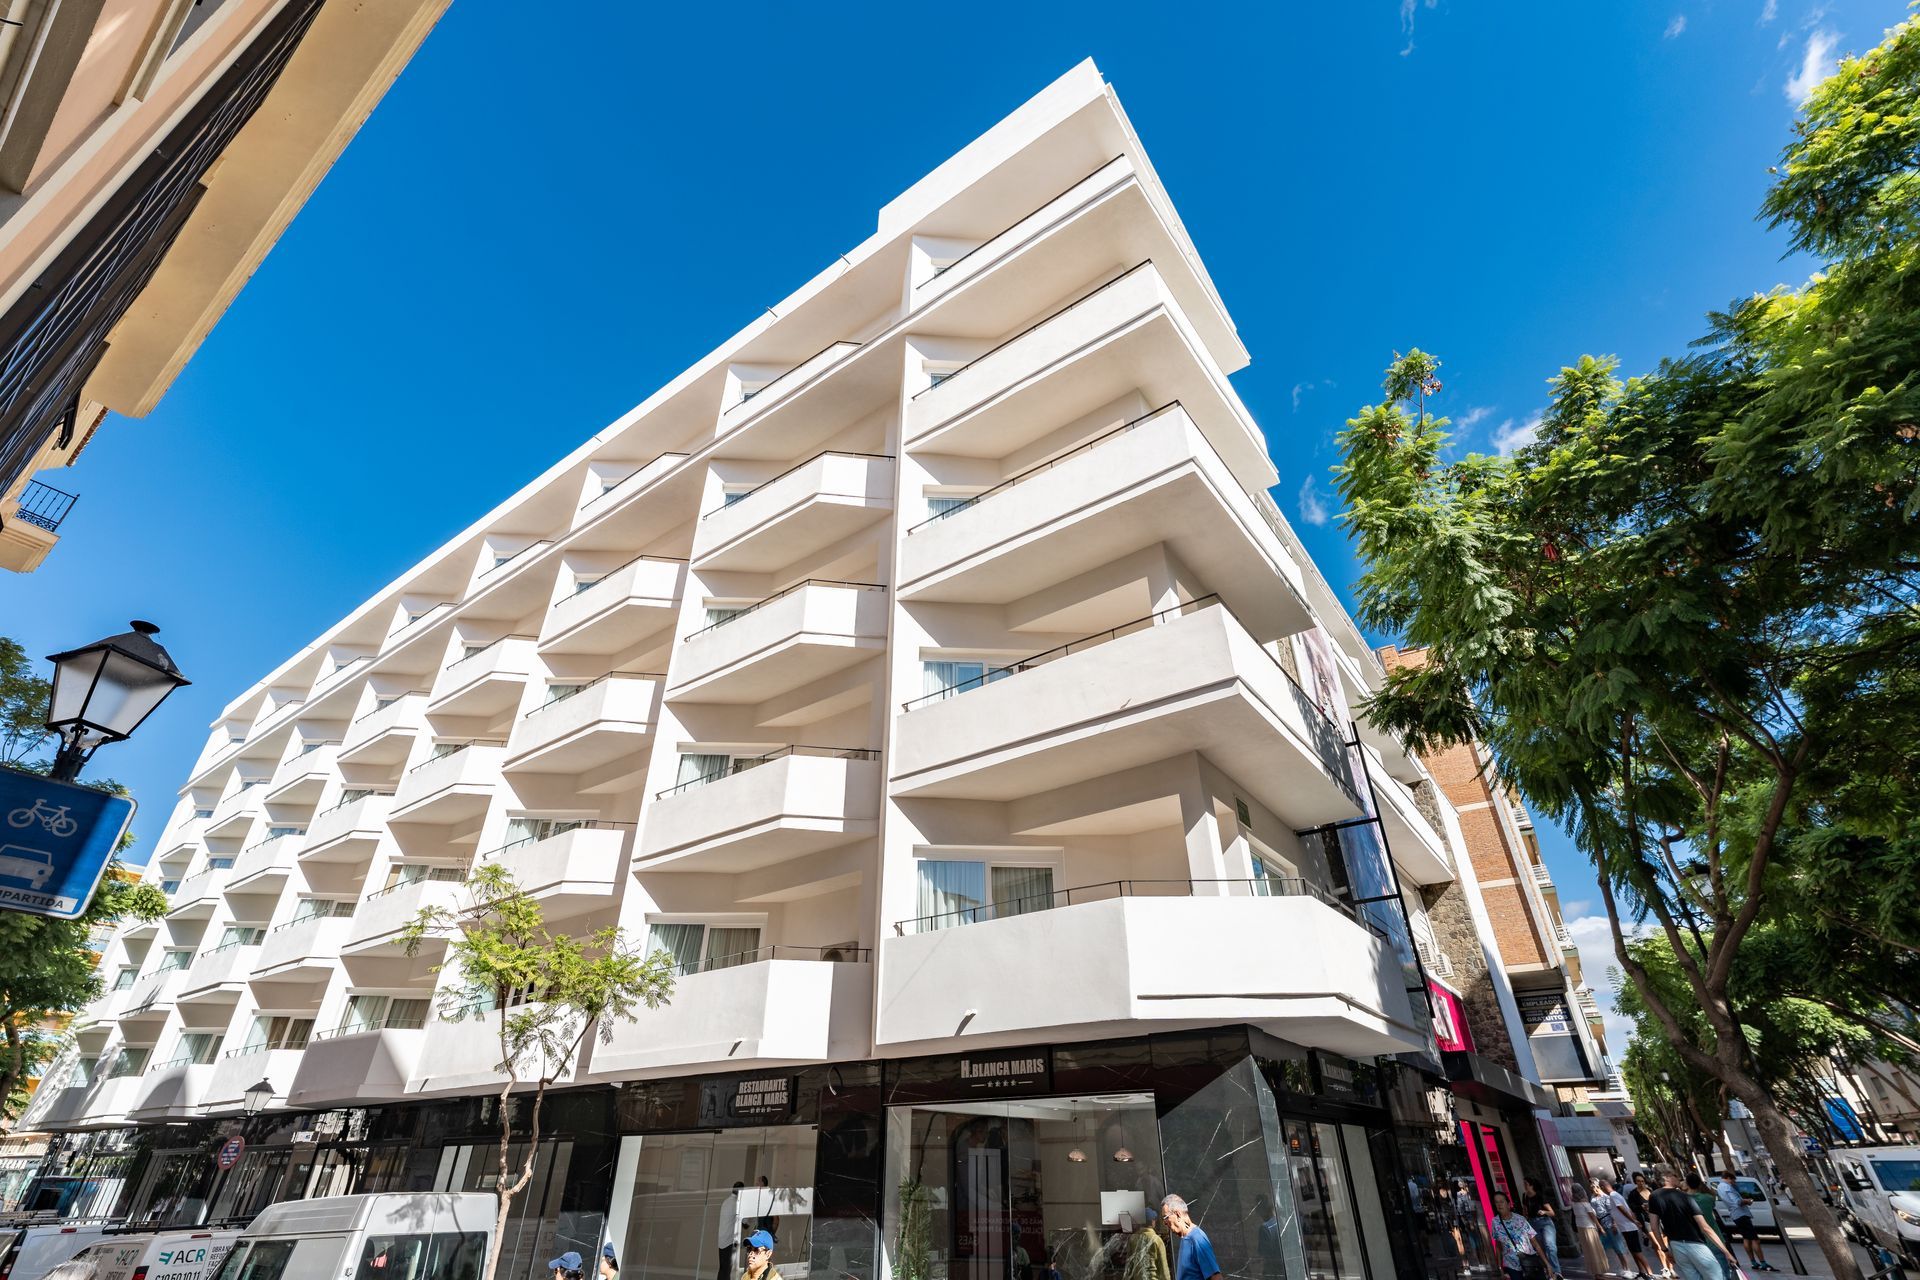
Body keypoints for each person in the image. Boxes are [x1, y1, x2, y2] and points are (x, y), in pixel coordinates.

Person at [1648, 1167, 1737, 1280]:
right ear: (1667, 1177)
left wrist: (1664, 1249)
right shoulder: (1685, 1197)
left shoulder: (1654, 1196)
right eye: (1675, 1175)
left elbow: (1654, 1227)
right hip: (1696, 1245)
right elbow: (1705, 1228)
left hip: (1676, 1246)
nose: (1679, 1179)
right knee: (1717, 1277)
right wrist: (1726, 1252)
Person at [1714, 1171, 1777, 1272]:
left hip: (1735, 1215)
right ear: (1729, 1178)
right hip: (1741, 1214)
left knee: (1746, 1238)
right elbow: (1737, 1202)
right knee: (1755, 1239)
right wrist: (1748, 1201)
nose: (1734, 1183)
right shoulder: (1727, 1187)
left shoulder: (1720, 1187)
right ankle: (1763, 1262)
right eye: (1733, 1180)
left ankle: (1753, 1262)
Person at [1489, 1191, 1554, 1280]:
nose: (1499, 1204)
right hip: (1512, 1267)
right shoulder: (1495, 1222)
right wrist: (1500, 1268)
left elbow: (1535, 1243)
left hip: (1530, 1263)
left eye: (1501, 1201)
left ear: (1508, 1204)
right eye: (1496, 1202)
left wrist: (1547, 1264)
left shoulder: (1520, 1219)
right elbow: (1498, 1247)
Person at [1598, 1178, 1653, 1277]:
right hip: (1625, 1227)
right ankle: (1642, 1271)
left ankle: (1650, 1273)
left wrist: (1634, 1221)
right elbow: (1627, 1208)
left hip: (1628, 1227)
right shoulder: (1615, 1195)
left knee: (1637, 1251)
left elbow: (1622, 1209)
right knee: (1633, 1251)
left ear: (1603, 1187)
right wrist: (1634, 1220)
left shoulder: (1613, 1195)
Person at [1159, 1194, 1222, 1280]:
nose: (1164, 1223)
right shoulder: (1185, 1238)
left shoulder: (1197, 1238)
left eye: (1165, 1218)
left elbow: (1216, 1277)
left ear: (1177, 1214)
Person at [1628, 1171, 1674, 1277]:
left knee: (1665, 1245)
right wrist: (1641, 1207)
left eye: (1642, 1181)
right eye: (1638, 1181)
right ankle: (1665, 1268)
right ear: (1635, 1182)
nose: (1641, 1183)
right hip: (1646, 1221)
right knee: (1657, 1245)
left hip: (1659, 1220)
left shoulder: (1650, 1191)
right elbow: (1632, 1208)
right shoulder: (1633, 1194)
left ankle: (1670, 1268)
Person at [1521, 1178, 1562, 1278]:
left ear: (1532, 1185)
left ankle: (1556, 1272)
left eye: (1526, 1184)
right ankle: (1549, 1272)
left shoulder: (1540, 1196)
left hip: (1545, 1222)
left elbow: (1552, 1213)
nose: (1524, 1185)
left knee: (1550, 1246)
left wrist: (1544, 1212)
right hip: (1532, 1224)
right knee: (1541, 1250)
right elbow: (1525, 1211)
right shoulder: (1525, 1196)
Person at [1568, 1185, 1609, 1279]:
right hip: (1589, 1228)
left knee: (1588, 1251)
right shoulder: (1585, 1203)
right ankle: (1599, 1272)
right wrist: (1600, 1228)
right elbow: (1593, 1217)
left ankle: (1595, 1272)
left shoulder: (1573, 1204)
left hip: (1581, 1229)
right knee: (1595, 1249)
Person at [717, 1182, 746, 1280]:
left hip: (721, 1239)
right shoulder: (736, 1204)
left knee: (722, 1268)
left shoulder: (726, 1201)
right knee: (727, 1269)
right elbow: (745, 1223)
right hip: (729, 1241)